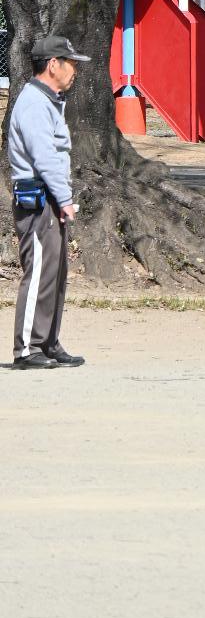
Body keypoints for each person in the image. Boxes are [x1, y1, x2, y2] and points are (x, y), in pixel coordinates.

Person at [7, 33, 90, 369]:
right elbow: (44, 157)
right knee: (39, 271)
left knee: (55, 273)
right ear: (52, 65)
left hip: (49, 199)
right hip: (38, 199)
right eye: (70, 64)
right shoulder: (33, 103)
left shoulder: (48, 101)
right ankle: (26, 349)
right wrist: (65, 198)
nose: (74, 71)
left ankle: (48, 342)